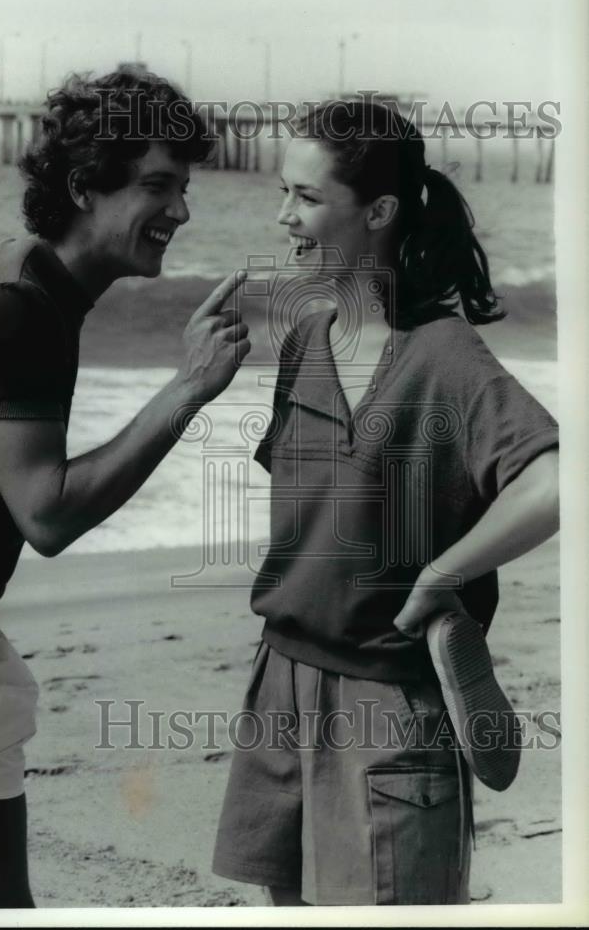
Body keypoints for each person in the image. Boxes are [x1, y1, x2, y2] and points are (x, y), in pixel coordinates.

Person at [0, 69, 250, 909]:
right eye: (157, 186)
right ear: (82, 187)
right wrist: (187, 388)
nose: (180, 211)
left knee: (1, 910)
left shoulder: (43, 292)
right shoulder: (10, 301)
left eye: (183, 187)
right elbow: (48, 515)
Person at [211, 98, 559, 906]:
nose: (281, 216)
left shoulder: (443, 354)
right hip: (280, 678)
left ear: (378, 212)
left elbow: (554, 483)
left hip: (387, 694)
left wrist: (442, 574)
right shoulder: (306, 338)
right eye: (281, 193)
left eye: (303, 197)